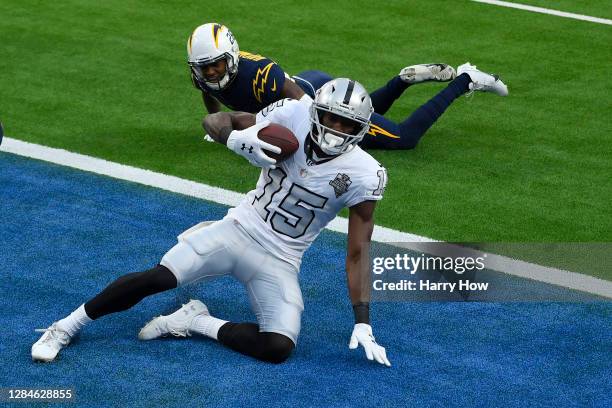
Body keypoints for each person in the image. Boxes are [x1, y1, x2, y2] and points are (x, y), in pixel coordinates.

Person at [32, 77, 391, 366]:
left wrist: (362, 320)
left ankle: (195, 321)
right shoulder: (295, 113)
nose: (337, 129)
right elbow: (216, 119)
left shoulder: (365, 174)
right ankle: (65, 327)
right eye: (332, 118)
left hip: (282, 257)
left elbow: (358, 251)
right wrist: (234, 137)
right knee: (158, 277)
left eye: (348, 124)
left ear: (362, 129)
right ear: (317, 113)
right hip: (239, 228)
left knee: (278, 347)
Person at [188, 23, 508, 150]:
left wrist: (321, 135)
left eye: (217, 64)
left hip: (313, 98)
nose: (212, 72)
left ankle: (466, 78)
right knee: (368, 113)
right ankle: (400, 81)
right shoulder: (203, 74)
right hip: (308, 83)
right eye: (205, 67)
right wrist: (216, 124)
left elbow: (300, 103)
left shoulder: (261, 73)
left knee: (402, 138)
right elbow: (209, 92)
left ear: (230, 56)